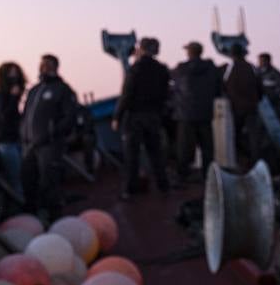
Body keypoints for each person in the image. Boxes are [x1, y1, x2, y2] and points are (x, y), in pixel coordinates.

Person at [20, 53, 79, 221]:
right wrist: (22, 132)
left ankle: (53, 219)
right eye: (41, 64)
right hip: (30, 146)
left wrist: (52, 133)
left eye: (46, 64)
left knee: (49, 184)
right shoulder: (34, 90)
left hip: (50, 146)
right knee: (28, 178)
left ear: (55, 67)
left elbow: (69, 118)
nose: (42, 67)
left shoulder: (63, 90)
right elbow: (26, 115)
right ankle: (32, 218)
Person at [112, 37, 170, 198]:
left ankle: (130, 190)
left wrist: (117, 116)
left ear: (141, 49)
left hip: (135, 117)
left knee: (132, 155)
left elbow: (127, 94)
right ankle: (163, 186)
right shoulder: (162, 69)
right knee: (156, 154)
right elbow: (166, 94)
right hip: (153, 117)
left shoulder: (135, 69)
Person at [171, 41, 221, 184]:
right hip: (205, 113)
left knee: (184, 148)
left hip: (185, 114)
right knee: (207, 147)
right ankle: (208, 175)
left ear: (189, 52)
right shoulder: (211, 68)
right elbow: (218, 89)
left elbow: (173, 85)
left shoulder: (181, 68)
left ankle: (182, 175)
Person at [0, 61, 26, 200]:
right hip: (5, 144)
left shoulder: (11, 97)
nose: (15, 76)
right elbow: (4, 115)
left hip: (15, 141)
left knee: (21, 176)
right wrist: (14, 97)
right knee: (15, 179)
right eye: (11, 73)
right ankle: (22, 209)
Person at [222, 42, 261, 169]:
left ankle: (240, 160)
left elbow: (225, 87)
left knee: (235, 135)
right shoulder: (252, 67)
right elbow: (260, 87)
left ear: (232, 54)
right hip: (252, 107)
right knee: (253, 136)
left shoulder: (230, 68)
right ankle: (255, 162)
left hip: (237, 108)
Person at [256, 52, 280, 116]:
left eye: (262, 61)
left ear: (268, 61)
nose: (260, 62)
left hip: (273, 102)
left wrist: (273, 96)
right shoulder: (256, 72)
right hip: (259, 102)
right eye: (259, 60)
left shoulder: (275, 73)